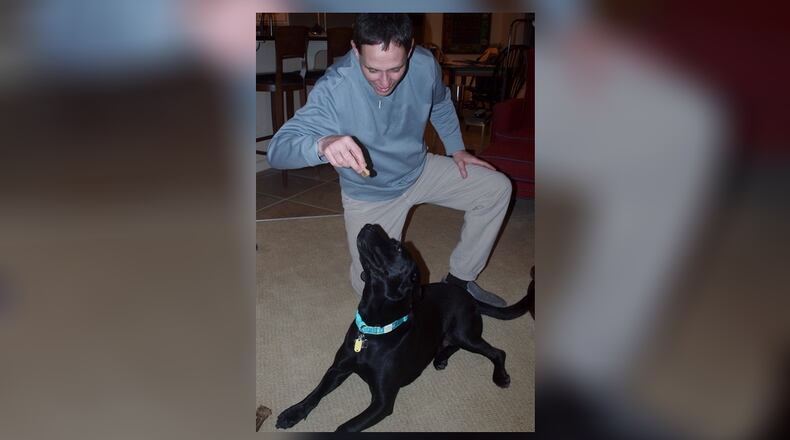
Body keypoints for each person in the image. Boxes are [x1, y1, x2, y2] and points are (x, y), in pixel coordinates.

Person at [267, 13, 512, 306]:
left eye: (396, 69)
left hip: (419, 170)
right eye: (372, 69)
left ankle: (460, 282)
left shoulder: (424, 64)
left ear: (410, 50)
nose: (384, 82)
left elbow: (441, 102)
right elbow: (278, 151)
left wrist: (457, 149)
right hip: (371, 192)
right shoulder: (335, 87)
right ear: (356, 50)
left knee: (496, 188)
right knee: (374, 293)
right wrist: (322, 143)